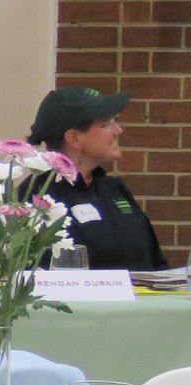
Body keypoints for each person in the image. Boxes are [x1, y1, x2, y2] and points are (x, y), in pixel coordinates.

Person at [29, 86, 168, 271]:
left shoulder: (114, 189)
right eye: (106, 124)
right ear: (74, 138)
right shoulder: (39, 197)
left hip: (144, 298)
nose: (118, 130)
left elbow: (156, 263)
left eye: (115, 121)